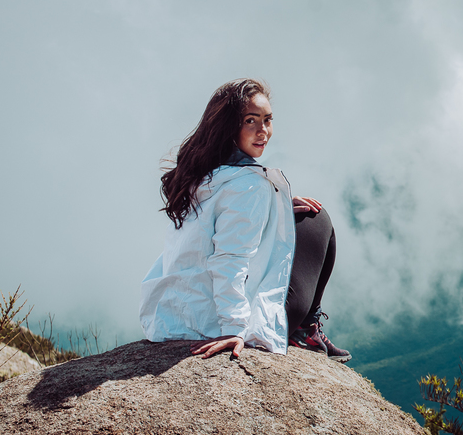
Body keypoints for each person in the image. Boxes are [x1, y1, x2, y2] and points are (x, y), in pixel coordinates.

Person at [139, 78, 350, 363]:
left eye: (267, 120)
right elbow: (229, 259)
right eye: (251, 120)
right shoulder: (247, 186)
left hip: (175, 315)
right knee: (317, 219)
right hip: (213, 322)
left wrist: (278, 208)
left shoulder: (202, 173)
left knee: (298, 215)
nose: (263, 131)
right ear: (229, 127)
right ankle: (305, 329)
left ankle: (305, 326)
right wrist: (235, 328)